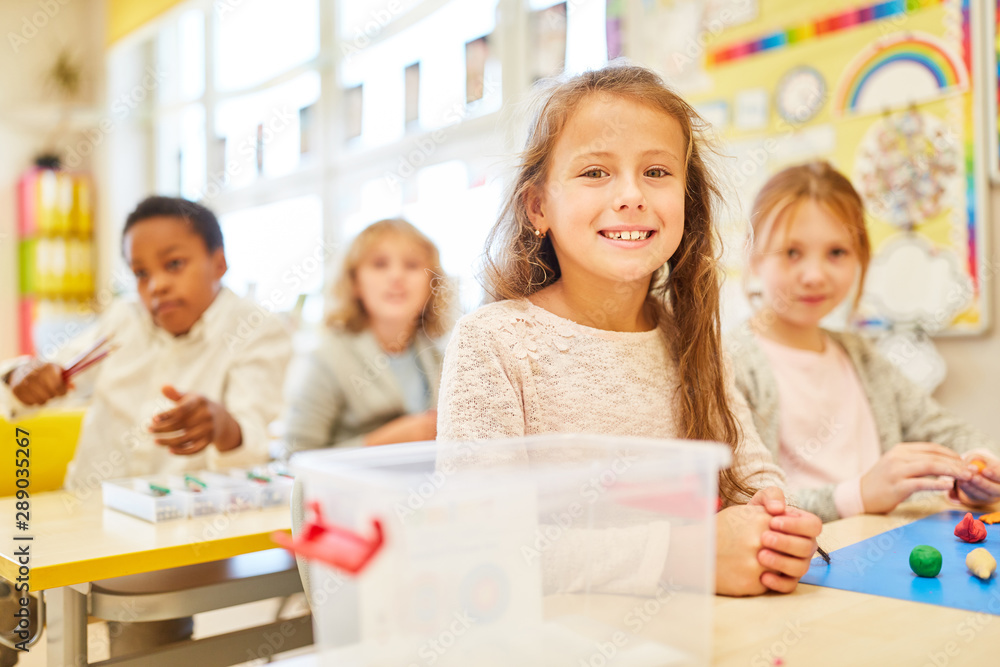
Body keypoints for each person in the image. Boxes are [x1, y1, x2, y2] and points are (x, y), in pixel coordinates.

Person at [436, 63, 821, 597]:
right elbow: (480, 548)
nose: (631, 195)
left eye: (657, 173)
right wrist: (686, 555)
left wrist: (775, 529)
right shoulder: (493, 342)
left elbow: (753, 476)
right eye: (595, 172)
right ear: (538, 205)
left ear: (686, 202)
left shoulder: (693, 339)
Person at [0, 195, 292, 657]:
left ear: (219, 262)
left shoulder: (258, 330)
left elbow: (253, 444)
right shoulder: (125, 320)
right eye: (140, 273)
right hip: (85, 513)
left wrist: (222, 425)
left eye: (174, 264)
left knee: (146, 647)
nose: (156, 285)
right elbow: (43, 376)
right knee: (29, 626)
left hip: (170, 536)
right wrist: (21, 376)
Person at [727, 161, 999, 522]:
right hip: (803, 562)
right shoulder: (727, 360)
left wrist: (979, 466)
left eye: (837, 253)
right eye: (792, 252)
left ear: (860, 257)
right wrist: (859, 494)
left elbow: (949, 431)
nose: (814, 275)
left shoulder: (859, 356)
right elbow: (742, 501)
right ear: (752, 254)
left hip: (880, 547)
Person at [282, 218, 453, 455]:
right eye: (380, 264)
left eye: (412, 265)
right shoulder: (325, 359)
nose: (396, 276)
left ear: (432, 283)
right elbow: (294, 459)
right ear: (355, 283)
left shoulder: (442, 358)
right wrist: (384, 442)